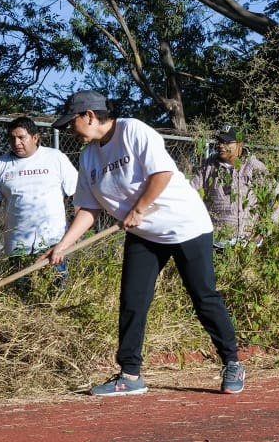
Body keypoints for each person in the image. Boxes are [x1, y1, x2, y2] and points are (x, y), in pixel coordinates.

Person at [43, 90, 244, 396]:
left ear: (90, 116)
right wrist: (63, 245)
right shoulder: (88, 156)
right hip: (144, 235)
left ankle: (232, 361)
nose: (70, 129)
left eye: (72, 123)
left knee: (203, 296)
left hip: (185, 226)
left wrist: (137, 208)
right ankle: (130, 374)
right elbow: (89, 208)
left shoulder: (132, 130)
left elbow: (162, 172)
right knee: (133, 300)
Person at [0, 116, 79, 288]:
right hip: (17, 244)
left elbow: (77, 195)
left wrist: (75, 233)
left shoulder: (55, 158)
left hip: (54, 241)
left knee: (56, 290)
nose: (16, 142)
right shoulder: (0, 164)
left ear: (35, 137)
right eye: (12, 138)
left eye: (21, 137)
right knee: (21, 293)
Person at [189, 128, 279, 248]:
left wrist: (265, 230)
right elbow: (190, 193)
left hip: (246, 242)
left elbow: (278, 195)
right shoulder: (209, 166)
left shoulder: (253, 166)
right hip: (215, 241)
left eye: (227, 142)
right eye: (219, 142)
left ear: (240, 144)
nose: (221, 146)